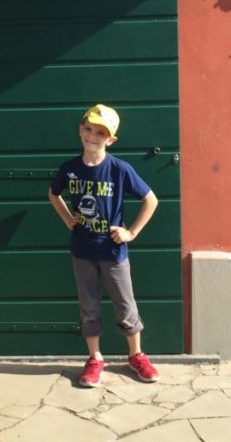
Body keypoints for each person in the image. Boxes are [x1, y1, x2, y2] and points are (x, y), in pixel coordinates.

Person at [48, 103, 160, 387]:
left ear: (111, 139)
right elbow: (53, 193)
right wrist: (66, 219)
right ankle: (95, 358)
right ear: (80, 130)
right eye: (88, 129)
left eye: (101, 132)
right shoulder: (70, 169)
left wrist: (131, 232)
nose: (92, 136)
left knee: (125, 304)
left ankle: (136, 355)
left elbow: (151, 200)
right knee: (89, 306)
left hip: (113, 252)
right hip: (82, 251)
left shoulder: (119, 170)